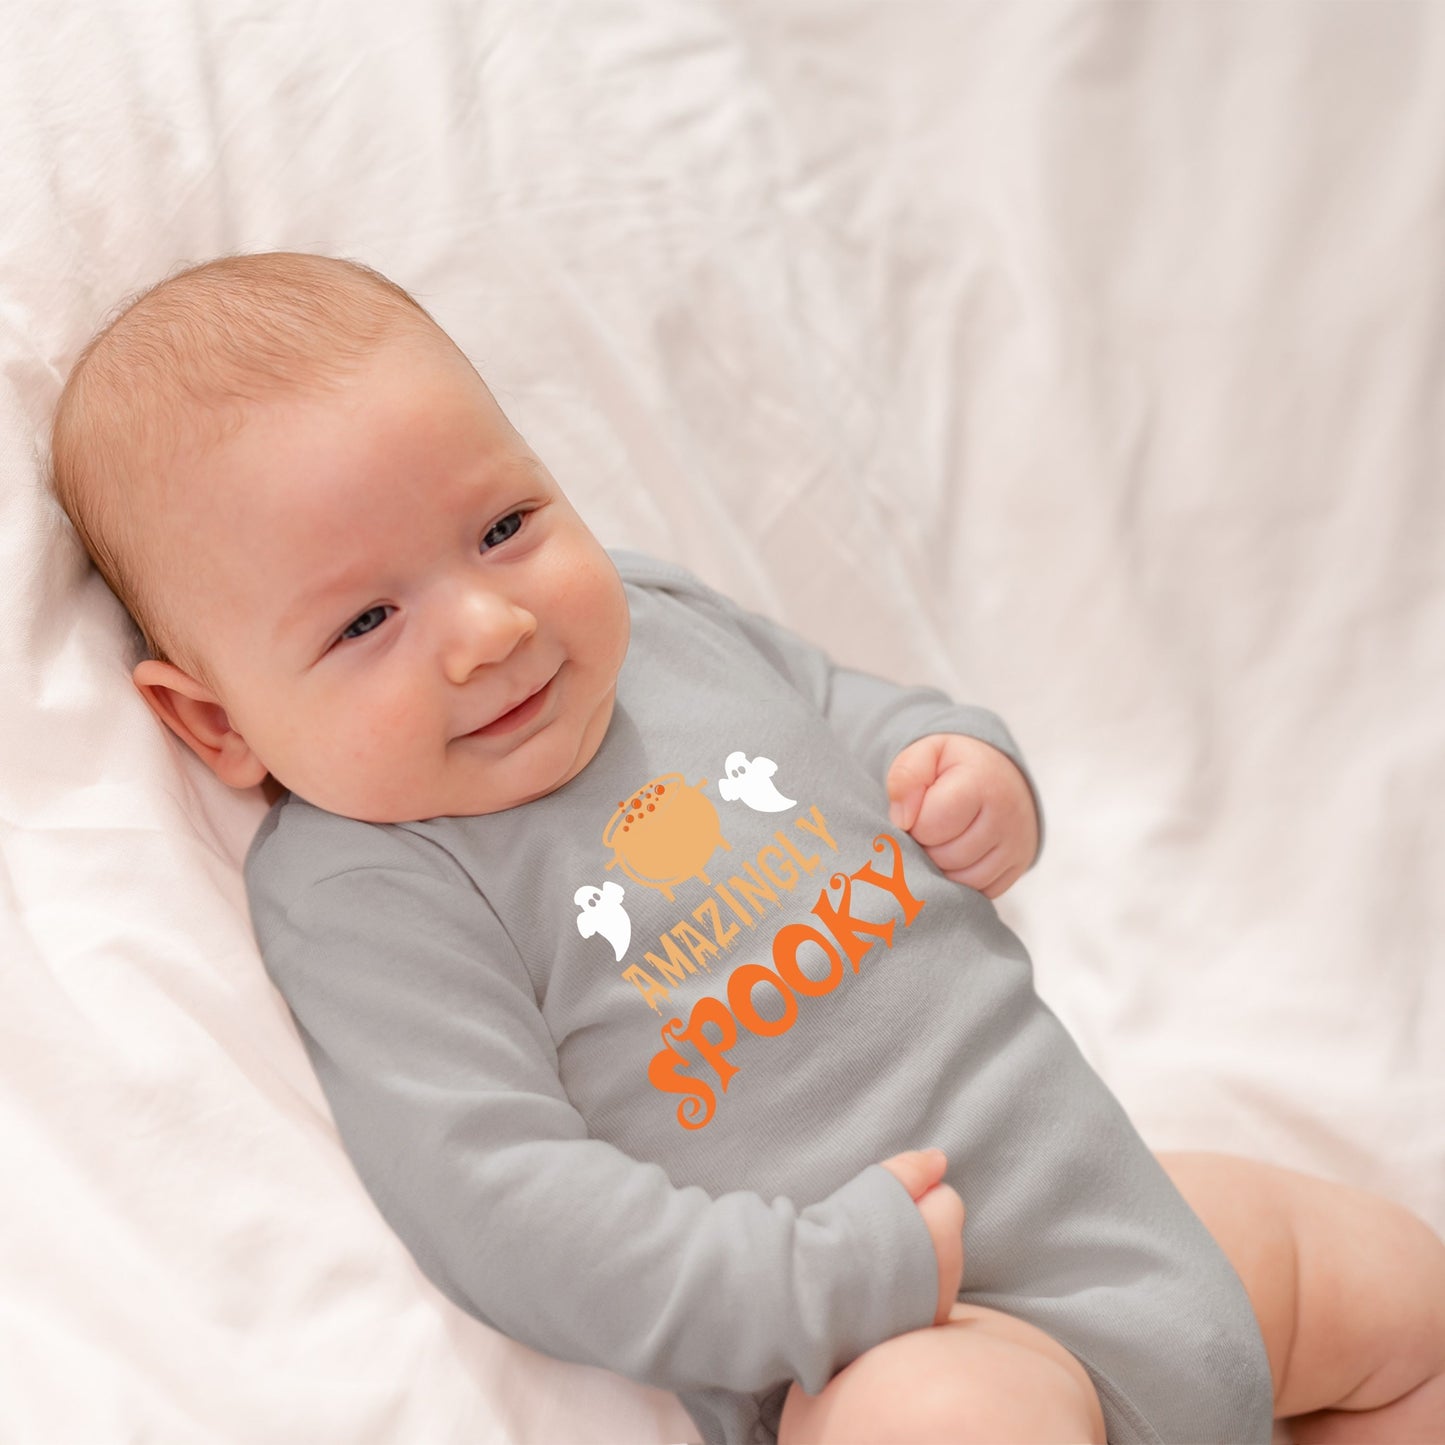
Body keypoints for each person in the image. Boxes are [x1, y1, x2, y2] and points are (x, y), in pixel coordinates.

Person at [47, 251, 1445, 1445]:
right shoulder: (370, 883)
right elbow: (505, 1204)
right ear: (216, 723)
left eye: (504, 526)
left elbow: (857, 714)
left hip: (1119, 1215)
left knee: (1407, 1296)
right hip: (905, 1332)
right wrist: (813, 1279)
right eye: (366, 622)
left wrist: (963, 768)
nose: (489, 628)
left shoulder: (658, 622)